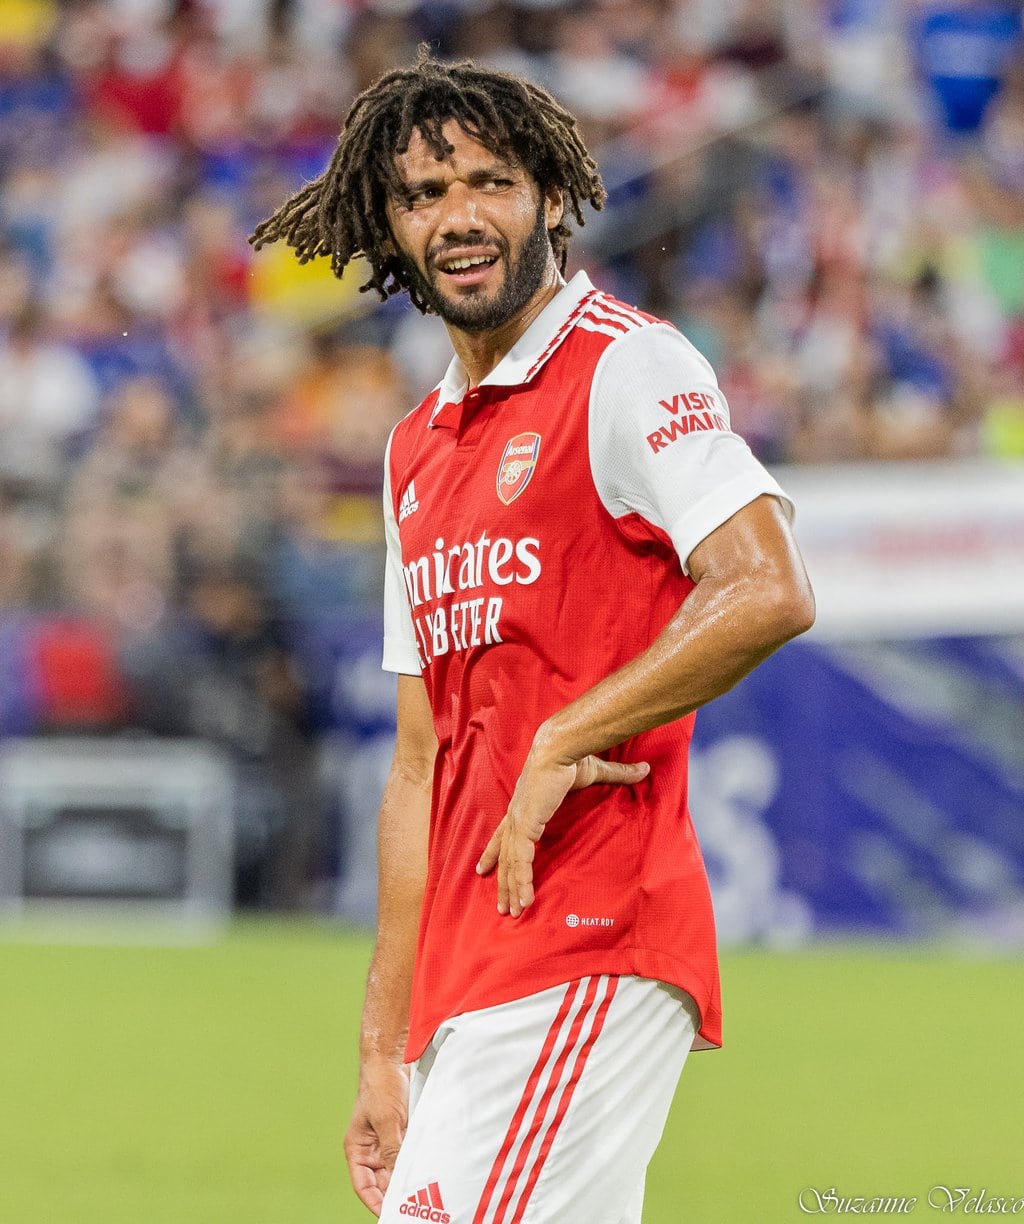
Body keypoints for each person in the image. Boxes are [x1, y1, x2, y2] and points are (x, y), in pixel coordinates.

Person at [252, 47, 814, 1224]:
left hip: (588, 932)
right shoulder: (414, 448)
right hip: (470, 978)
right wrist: (382, 1044)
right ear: (387, 224)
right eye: (421, 194)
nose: (456, 217)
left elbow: (765, 585)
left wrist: (567, 733)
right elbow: (417, 769)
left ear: (552, 196)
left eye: (488, 183)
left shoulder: (625, 365)